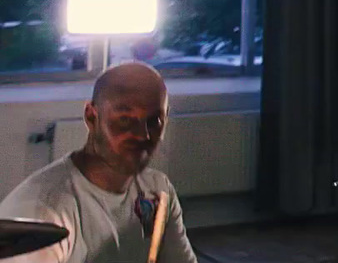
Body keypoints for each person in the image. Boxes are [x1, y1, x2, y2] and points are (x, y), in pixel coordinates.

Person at [0, 62, 196, 263]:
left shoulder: (158, 189)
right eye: (125, 119)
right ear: (91, 117)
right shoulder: (44, 211)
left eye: (154, 122)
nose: (142, 134)